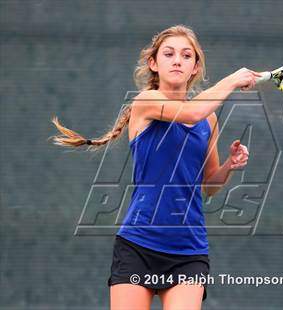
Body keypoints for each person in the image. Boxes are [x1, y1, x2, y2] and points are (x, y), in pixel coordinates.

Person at [49, 24, 261, 310]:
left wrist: (229, 166)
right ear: (154, 63)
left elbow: (209, 186)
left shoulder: (209, 121)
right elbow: (189, 113)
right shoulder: (146, 102)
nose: (177, 60)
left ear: (195, 67)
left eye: (187, 56)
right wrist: (233, 79)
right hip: (138, 247)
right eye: (169, 53)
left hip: (189, 251)